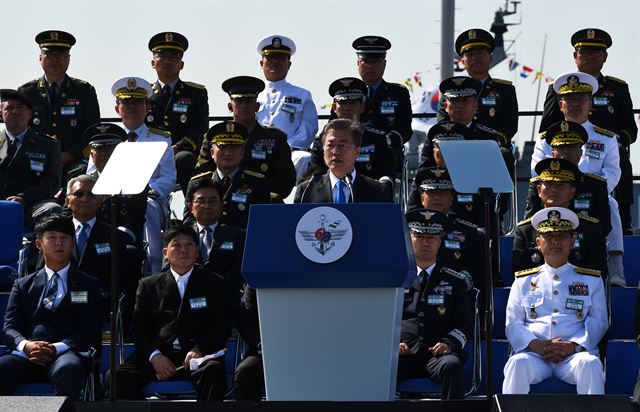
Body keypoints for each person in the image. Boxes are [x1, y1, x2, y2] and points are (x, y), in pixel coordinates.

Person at [113, 224, 231, 401]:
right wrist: (155, 356)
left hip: (198, 356)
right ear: (165, 252)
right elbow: (138, 330)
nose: (183, 250)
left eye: (189, 245)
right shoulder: (148, 285)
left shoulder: (214, 283)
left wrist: (200, 348)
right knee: (117, 377)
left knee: (213, 372)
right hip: (159, 354)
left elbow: (223, 324)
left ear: (197, 251)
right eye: (177, 245)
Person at [531, 71, 625, 286]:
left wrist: (586, 190)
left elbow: (612, 173)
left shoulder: (605, 138)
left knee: (611, 203)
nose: (575, 104)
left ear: (590, 103)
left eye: (581, 99)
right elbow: (537, 172)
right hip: (553, 196)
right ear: (561, 104)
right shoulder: (546, 139)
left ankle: (616, 264)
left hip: (592, 197)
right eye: (569, 99)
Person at [539, 28, 636, 234]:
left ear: (605, 56)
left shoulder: (617, 88)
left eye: (596, 52)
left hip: (604, 150)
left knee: (621, 161)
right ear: (575, 56)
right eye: (584, 51)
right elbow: (547, 128)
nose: (590, 56)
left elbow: (630, 129)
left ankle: (624, 221)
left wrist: (617, 141)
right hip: (565, 151)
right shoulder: (557, 88)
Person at [502, 207, 607, 394]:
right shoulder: (523, 281)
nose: (555, 241)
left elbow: (598, 321)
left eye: (562, 236)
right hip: (534, 354)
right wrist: (536, 344)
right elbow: (513, 324)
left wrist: (573, 347)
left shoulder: (591, 280)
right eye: (549, 237)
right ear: (538, 243)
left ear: (572, 241)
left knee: (591, 364)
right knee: (516, 364)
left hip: (574, 356)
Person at [0, 214, 101, 398]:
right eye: (52, 237)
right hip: (27, 355)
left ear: (72, 244)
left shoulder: (89, 284)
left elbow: (90, 327)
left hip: (67, 353)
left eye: (64, 238)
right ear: (39, 244)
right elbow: (9, 328)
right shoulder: (23, 285)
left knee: (69, 369)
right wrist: (27, 345)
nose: (59, 243)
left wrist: (57, 347)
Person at [90, 77, 177, 274]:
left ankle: (154, 266)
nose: (132, 107)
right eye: (126, 102)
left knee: (148, 207)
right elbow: (92, 174)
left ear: (147, 107)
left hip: (147, 197)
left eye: (138, 102)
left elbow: (168, 177)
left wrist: (144, 190)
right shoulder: (105, 136)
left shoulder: (161, 139)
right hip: (110, 196)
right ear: (117, 109)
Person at [398, 208, 472, 399]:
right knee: (378, 365)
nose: (426, 242)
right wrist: (391, 344)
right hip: (402, 354)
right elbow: (379, 319)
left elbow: (464, 325)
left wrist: (448, 344)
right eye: (420, 236)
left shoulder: (455, 281)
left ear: (440, 242)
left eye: (432, 238)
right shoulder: (394, 278)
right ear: (409, 238)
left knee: (452, 365)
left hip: (437, 356)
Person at [55, 175, 140, 326]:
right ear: (67, 201)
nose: (85, 199)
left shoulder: (115, 237)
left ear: (100, 200)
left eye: (91, 194)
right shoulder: (54, 235)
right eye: (79, 194)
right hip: (60, 303)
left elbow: (120, 281)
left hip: (99, 304)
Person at [194, 76, 295, 200]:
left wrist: (255, 192)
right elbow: (202, 174)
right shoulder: (213, 138)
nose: (244, 106)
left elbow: (285, 179)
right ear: (230, 107)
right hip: (220, 201)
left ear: (257, 106)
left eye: (248, 101)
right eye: (239, 101)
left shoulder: (275, 138)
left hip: (259, 202)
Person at [18, 30, 100, 180]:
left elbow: (92, 131)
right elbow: (20, 131)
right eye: (50, 55)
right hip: (35, 160)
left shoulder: (84, 90)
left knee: (82, 182)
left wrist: (68, 156)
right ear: (40, 58)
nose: (55, 60)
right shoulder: (27, 92)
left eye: (61, 55)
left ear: (69, 59)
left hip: (73, 162)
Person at [513, 158, 607, 278]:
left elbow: (598, 273)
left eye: (560, 184)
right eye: (548, 184)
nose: (553, 189)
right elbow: (520, 278)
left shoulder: (591, 228)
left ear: (572, 192)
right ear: (539, 190)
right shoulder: (525, 230)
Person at [145, 32, 209, 195]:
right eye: (162, 56)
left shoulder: (196, 93)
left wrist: (177, 147)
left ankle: (191, 211)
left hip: (179, 153)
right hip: (148, 153)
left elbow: (199, 130)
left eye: (174, 57)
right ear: (153, 63)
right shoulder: (143, 94)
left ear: (181, 64)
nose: (167, 61)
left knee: (186, 159)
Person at [524, 121, 611, 236]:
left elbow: (604, 226)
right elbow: (530, 223)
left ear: (581, 153)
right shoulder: (539, 184)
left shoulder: (595, 185)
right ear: (552, 153)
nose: (566, 152)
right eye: (561, 147)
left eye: (571, 147)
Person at [438, 28, 518, 143]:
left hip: (492, 146)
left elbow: (510, 126)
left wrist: (494, 143)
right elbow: (443, 121)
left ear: (490, 58)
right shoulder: (450, 91)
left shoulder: (505, 90)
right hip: (457, 145)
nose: (475, 58)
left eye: (480, 53)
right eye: (470, 54)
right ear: (463, 61)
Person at [308, 77, 396, 181]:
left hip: (368, 193)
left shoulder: (377, 139)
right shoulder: (322, 141)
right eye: (343, 103)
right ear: (334, 108)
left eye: (352, 102)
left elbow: (385, 176)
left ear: (362, 107)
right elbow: (314, 175)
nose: (347, 108)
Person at [185, 121, 270, 229]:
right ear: (212, 153)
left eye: (233, 148)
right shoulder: (197, 182)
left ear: (242, 153)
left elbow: (263, 222)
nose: (228, 153)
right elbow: (189, 221)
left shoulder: (257, 183)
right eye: (223, 147)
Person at [255, 35, 318, 177]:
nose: (275, 62)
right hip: (256, 151)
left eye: (281, 58)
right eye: (270, 57)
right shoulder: (253, 96)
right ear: (261, 63)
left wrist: (283, 147)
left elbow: (308, 129)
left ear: (289, 65)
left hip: (290, 152)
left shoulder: (302, 95)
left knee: (304, 158)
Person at [0, 89, 62, 227]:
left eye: (20, 107)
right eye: (9, 108)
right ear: (1, 114)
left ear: (29, 113)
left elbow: (52, 182)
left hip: (32, 205)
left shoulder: (48, 144)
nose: (15, 111)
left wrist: (24, 197)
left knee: (52, 209)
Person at [293, 119, 392, 203]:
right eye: (330, 145)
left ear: (357, 152)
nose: (335, 152)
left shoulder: (378, 191)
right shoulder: (306, 190)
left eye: (342, 146)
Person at [352, 35, 412, 172]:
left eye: (375, 61)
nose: (370, 66)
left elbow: (405, 129)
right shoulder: (347, 93)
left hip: (385, 152)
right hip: (352, 151)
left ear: (384, 64)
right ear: (358, 63)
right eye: (365, 61)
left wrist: (387, 140)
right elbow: (334, 124)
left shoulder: (398, 93)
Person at [185, 178, 245, 313]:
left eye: (212, 201)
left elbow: (239, 271)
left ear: (221, 205)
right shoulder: (180, 235)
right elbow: (168, 269)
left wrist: (214, 287)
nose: (206, 206)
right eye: (200, 201)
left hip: (224, 301)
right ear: (190, 207)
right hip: (187, 301)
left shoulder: (237, 235)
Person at [84, 123, 148, 244]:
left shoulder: (136, 182)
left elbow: (135, 217)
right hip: (86, 238)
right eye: (99, 148)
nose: (104, 153)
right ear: (92, 155)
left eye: (110, 148)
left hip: (121, 241)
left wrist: (119, 238)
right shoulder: (82, 182)